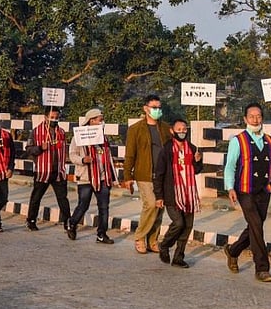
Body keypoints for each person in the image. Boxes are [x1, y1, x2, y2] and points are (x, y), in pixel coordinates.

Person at [222, 103, 271, 282]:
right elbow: (230, 166)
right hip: (245, 190)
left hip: (264, 189)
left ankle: (233, 251)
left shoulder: (269, 140)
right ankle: (262, 268)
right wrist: (230, 187)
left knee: (255, 226)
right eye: (251, 116)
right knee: (256, 225)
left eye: (258, 116)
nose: (255, 120)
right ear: (245, 119)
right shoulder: (238, 140)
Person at [124, 95, 171, 254]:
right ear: (145, 108)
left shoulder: (165, 128)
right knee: (150, 204)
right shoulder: (135, 129)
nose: (157, 110)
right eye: (154, 107)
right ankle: (140, 237)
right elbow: (130, 154)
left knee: (159, 207)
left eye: (159, 107)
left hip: (163, 174)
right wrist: (127, 176)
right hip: (144, 173)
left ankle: (152, 240)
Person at [154, 119, 204, 268]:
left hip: (189, 193)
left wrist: (197, 161)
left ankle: (178, 257)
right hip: (172, 193)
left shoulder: (192, 148)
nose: (182, 132)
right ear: (172, 131)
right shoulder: (167, 149)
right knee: (178, 223)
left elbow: (197, 170)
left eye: (184, 129)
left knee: (187, 226)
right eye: (179, 129)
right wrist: (159, 196)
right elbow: (159, 174)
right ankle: (165, 245)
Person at [67, 108, 117, 244]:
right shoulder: (79, 136)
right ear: (92, 120)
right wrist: (83, 160)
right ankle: (72, 223)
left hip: (102, 177)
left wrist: (113, 177)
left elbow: (108, 157)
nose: (102, 122)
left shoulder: (103, 138)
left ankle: (101, 234)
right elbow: (72, 154)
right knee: (83, 204)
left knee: (104, 207)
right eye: (100, 120)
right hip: (85, 177)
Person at [25, 109, 71, 231]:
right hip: (43, 171)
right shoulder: (36, 132)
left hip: (58, 171)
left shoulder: (61, 132)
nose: (54, 119)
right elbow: (28, 149)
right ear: (45, 117)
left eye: (56, 117)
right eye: (52, 117)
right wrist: (40, 148)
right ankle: (31, 220)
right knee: (36, 197)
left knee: (63, 198)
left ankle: (68, 222)